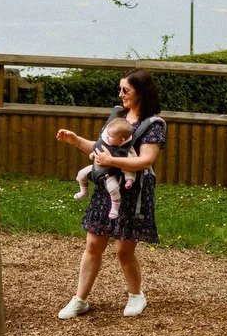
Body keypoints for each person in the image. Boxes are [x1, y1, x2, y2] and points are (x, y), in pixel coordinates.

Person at [53, 68, 165, 320]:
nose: (121, 94)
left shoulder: (153, 125)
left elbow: (145, 161)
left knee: (123, 250)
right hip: (107, 189)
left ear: (141, 93)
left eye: (126, 90)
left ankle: (136, 295)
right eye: (120, 89)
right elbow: (101, 150)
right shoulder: (118, 115)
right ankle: (80, 299)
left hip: (133, 192)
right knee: (93, 244)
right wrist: (75, 140)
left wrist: (111, 160)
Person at [72, 116, 138, 219]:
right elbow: (97, 149)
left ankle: (115, 207)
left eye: (111, 135)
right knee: (81, 174)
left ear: (121, 140)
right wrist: (93, 154)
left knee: (114, 189)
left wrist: (130, 179)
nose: (107, 136)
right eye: (107, 133)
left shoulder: (126, 150)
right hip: (95, 169)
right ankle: (84, 192)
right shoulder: (105, 141)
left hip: (109, 174)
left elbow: (131, 164)